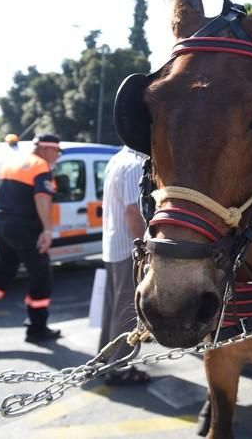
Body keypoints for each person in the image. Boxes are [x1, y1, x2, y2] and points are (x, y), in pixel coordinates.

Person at [0, 134, 61, 343]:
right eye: (56, 151)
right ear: (47, 149)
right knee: (42, 275)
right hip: (22, 228)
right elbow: (42, 197)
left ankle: (36, 327)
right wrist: (47, 231)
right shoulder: (40, 166)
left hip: (2, 226)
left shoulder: (11, 163)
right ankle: (37, 329)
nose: (57, 156)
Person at [97, 145, 150, 385]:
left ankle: (103, 360)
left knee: (112, 309)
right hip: (129, 248)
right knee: (126, 311)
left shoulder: (117, 159)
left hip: (113, 244)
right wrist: (144, 251)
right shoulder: (136, 164)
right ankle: (118, 368)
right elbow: (133, 211)